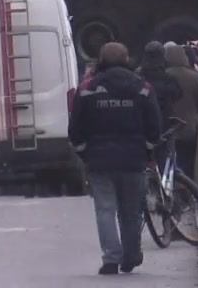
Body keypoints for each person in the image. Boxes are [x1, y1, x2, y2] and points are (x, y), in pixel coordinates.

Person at [68, 42, 161, 276]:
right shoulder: (143, 88)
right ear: (126, 59)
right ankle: (130, 256)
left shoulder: (88, 89)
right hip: (133, 159)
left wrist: (84, 153)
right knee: (131, 211)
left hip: (99, 161)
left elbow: (75, 129)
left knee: (105, 210)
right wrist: (147, 150)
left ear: (101, 60)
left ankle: (111, 258)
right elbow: (154, 126)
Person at [165, 42, 198, 179]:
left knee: (167, 162)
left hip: (167, 128)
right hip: (189, 129)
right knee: (188, 163)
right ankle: (186, 191)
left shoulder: (164, 76)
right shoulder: (194, 77)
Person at [138, 42, 181, 168]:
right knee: (166, 162)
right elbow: (178, 94)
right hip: (165, 126)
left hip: (143, 127)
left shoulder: (138, 77)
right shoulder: (168, 78)